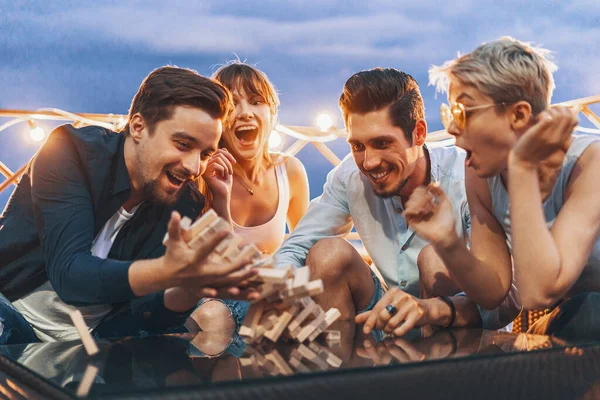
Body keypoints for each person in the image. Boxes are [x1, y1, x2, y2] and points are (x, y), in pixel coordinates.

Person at [0, 66, 260, 345]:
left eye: (205, 154)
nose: (194, 167)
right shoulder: (70, 152)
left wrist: (189, 288)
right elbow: (70, 276)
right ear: (138, 126)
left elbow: (151, 315)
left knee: (243, 309)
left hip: (98, 342)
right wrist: (165, 271)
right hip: (14, 318)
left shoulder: (184, 201)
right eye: (183, 144)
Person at [274, 67, 517, 338]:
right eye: (357, 146)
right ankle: (338, 378)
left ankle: (440, 376)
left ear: (419, 133)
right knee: (327, 254)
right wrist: (277, 295)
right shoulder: (349, 177)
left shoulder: (468, 177)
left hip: (461, 331)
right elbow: (294, 250)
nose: (369, 162)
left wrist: (436, 308)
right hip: (385, 325)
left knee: (434, 260)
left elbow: (510, 299)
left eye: (382, 143)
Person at [411, 37, 600, 339]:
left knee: (588, 312)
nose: (450, 127)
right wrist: (449, 242)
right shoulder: (481, 174)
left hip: (587, 318)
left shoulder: (590, 162)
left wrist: (523, 168)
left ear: (519, 115)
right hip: (578, 321)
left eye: (463, 112)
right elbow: (494, 291)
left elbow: (537, 294)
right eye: (450, 113)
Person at [190, 62, 310, 331]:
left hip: (269, 291)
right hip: (211, 297)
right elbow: (213, 264)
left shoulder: (289, 171)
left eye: (256, 102)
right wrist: (220, 198)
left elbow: (305, 248)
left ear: (272, 113)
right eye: (232, 105)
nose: (244, 113)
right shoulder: (200, 174)